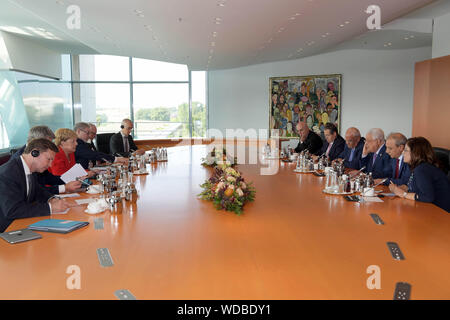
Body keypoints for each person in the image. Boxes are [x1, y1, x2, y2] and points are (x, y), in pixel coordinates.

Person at [0, 139, 70, 232]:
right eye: (49, 159)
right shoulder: (8, 173)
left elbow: (37, 189)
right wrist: (50, 207)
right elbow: (12, 210)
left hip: (21, 222)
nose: (50, 165)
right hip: (7, 229)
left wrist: (51, 199)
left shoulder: (30, 169)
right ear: (34, 153)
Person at [10, 125, 81, 194]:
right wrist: (64, 188)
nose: (50, 147)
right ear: (35, 142)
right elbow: (33, 191)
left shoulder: (40, 155)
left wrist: (72, 180)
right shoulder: (19, 161)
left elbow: (48, 178)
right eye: (46, 144)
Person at [389, 137, 450, 213]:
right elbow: (417, 186)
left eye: (406, 150)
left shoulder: (422, 169)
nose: (402, 153)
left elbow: (427, 197)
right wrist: (405, 188)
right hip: (428, 210)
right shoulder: (418, 167)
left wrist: (403, 194)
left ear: (416, 153)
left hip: (441, 214)